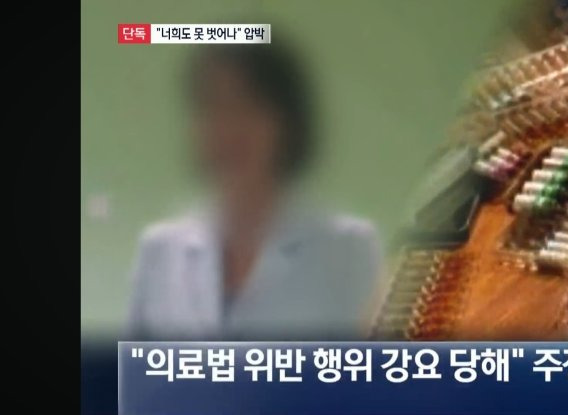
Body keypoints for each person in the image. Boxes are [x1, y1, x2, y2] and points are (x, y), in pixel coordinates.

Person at [127, 43, 382, 340]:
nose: (229, 127)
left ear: (286, 122)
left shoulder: (347, 249)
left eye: (248, 105)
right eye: (213, 106)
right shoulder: (160, 251)